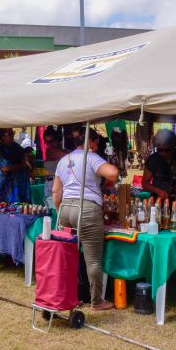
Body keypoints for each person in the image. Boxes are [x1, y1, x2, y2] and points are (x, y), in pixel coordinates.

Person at [52, 127, 119, 311]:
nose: (96, 148)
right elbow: (113, 173)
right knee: (93, 260)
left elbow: (56, 192)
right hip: (87, 209)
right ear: (89, 142)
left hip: (66, 209)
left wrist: (62, 212)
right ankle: (97, 301)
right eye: (96, 144)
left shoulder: (64, 160)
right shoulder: (91, 157)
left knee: (68, 258)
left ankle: (68, 295)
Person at [142, 129, 176, 200]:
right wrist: (158, 191)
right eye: (160, 150)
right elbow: (145, 183)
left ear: (173, 147)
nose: (163, 153)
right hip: (158, 201)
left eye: (167, 150)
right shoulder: (152, 160)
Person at [0, 128, 31, 203]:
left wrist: (28, 159)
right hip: (7, 187)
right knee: (9, 210)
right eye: (10, 134)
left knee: (23, 208)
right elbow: (5, 168)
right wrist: (23, 166)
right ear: (2, 137)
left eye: (13, 133)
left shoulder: (16, 146)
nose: (12, 136)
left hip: (21, 185)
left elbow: (25, 158)